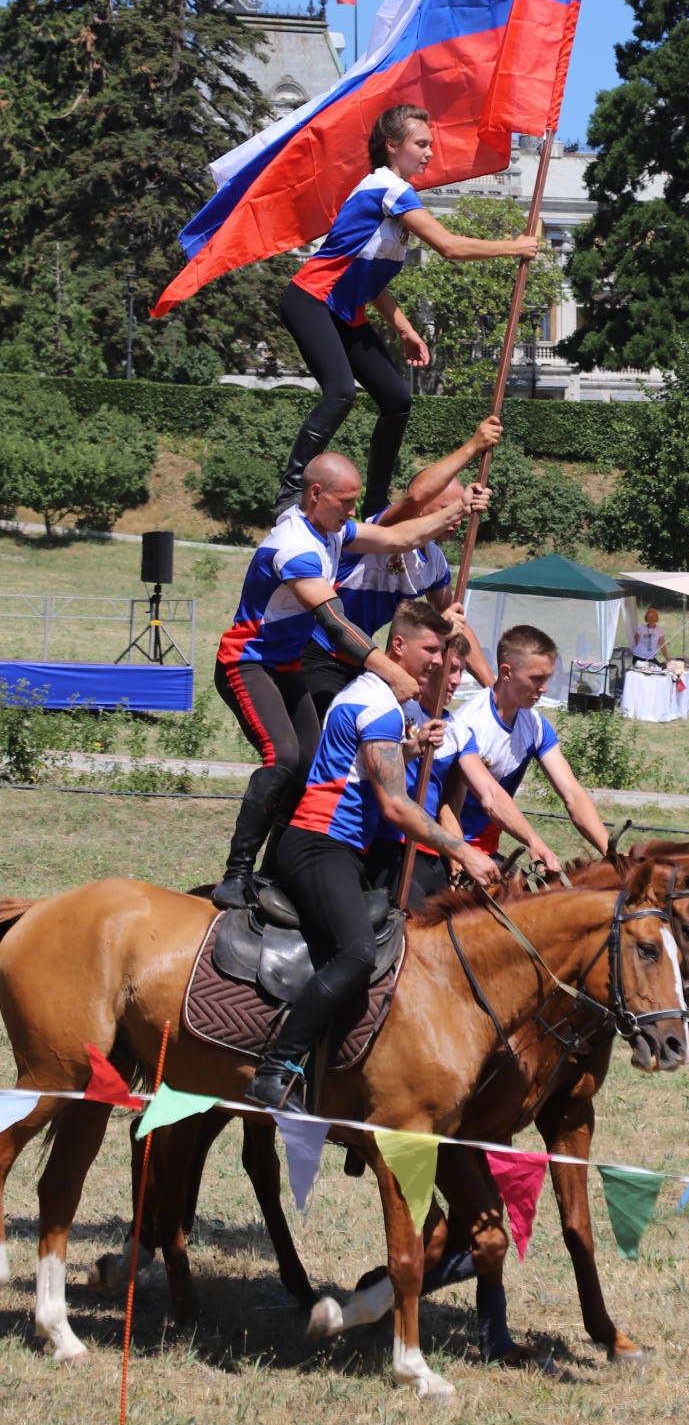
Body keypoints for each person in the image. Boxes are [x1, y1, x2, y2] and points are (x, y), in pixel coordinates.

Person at [245, 602, 496, 1111]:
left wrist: (408, 748)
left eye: (442, 652)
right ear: (397, 647)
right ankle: (276, 1070)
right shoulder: (380, 707)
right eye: (431, 650)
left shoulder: (376, 700)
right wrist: (462, 852)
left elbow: (361, 767)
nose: (438, 662)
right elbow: (396, 806)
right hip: (319, 844)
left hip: (341, 848)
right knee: (358, 952)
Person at [212, 451, 466, 910]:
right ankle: (236, 875)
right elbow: (333, 622)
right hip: (247, 662)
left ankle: (274, 877)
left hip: (285, 665)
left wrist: (458, 510)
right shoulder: (296, 548)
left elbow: (396, 536)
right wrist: (390, 669)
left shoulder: (331, 528)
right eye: (346, 502)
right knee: (284, 755)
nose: (354, 511)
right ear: (317, 494)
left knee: (310, 766)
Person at [275, 104, 540, 518]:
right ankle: (291, 491)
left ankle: (377, 503)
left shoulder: (392, 200)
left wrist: (403, 328)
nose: (429, 153)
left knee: (397, 399)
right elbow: (449, 247)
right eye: (421, 144)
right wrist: (514, 247)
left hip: (344, 312)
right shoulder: (389, 188)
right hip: (310, 299)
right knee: (341, 391)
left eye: (430, 144)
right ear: (393, 146)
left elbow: (368, 276)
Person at [300, 414, 502, 723]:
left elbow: (459, 622)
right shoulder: (381, 532)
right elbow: (415, 496)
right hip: (317, 650)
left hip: (362, 658)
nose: (457, 518)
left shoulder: (434, 563)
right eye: (445, 509)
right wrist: (474, 446)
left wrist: (493, 689)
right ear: (423, 511)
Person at [365, 628, 563, 910]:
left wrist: (534, 841)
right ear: (431, 666)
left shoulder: (458, 729)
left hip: (439, 853)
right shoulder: (395, 710)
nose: (456, 681)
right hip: (397, 848)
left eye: (460, 671)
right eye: (451, 670)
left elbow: (490, 794)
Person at [449, 625, 610, 859]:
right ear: (506, 673)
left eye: (547, 678)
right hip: (451, 851)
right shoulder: (469, 725)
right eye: (536, 679)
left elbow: (572, 794)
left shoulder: (535, 725)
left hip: (487, 852)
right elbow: (461, 805)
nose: (544, 688)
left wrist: (612, 854)